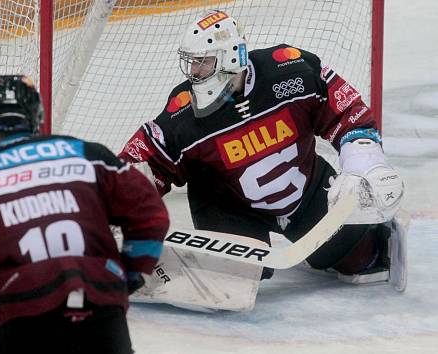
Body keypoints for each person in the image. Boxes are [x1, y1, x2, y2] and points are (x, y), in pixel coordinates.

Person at [119, 10, 405, 289]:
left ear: (232, 58)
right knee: (239, 275)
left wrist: (363, 166)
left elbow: (348, 114)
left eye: (202, 63)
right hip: (229, 206)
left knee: (363, 258)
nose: (194, 72)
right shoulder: (182, 112)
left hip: (304, 189)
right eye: (191, 63)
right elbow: (145, 158)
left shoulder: (291, 71)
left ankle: (360, 238)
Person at [0, 74, 170, 354]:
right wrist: (127, 274)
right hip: (102, 313)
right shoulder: (87, 154)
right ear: (37, 116)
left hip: (24, 321)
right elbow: (151, 216)